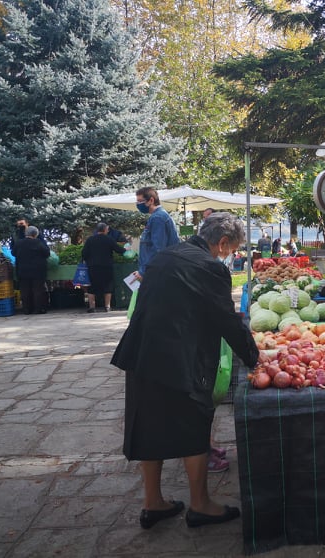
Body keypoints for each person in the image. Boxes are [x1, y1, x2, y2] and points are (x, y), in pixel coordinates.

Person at [111, 212, 259, 529]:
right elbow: (226, 319)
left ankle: (153, 504)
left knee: (148, 427)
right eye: (231, 248)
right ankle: (201, 505)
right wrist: (254, 357)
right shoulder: (210, 268)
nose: (229, 254)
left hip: (141, 353)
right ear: (222, 242)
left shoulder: (166, 256)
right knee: (194, 425)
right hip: (179, 357)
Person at [135, 187, 180, 281]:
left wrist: (143, 272)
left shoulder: (158, 218)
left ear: (151, 200)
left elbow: (158, 249)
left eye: (140, 201)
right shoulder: (159, 216)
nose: (138, 204)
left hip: (158, 273)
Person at [82, 222, 126, 313]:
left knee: (92, 286)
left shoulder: (90, 240)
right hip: (106, 266)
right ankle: (107, 307)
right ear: (105, 230)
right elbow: (118, 250)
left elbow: (84, 254)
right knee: (108, 286)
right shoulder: (109, 239)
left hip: (93, 266)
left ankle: (92, 307)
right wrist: (126, 250)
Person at [12, 226, 50, 314]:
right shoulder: (38, 242)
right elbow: (47, 253)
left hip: (22, 270)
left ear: (26, 233)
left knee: (25, 290)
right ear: (36, 234)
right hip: (38, 270)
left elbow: (13, 253)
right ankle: (38, 309)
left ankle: (27, 309)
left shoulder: (19, 243)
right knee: (38, 289)